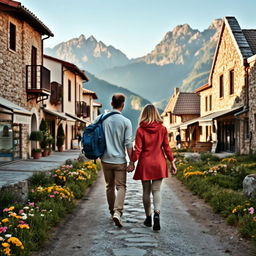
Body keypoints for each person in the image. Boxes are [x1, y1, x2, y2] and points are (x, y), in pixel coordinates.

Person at [127, 104, 177, 231]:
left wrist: (132, 162)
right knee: (156, 190)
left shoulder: (140, 130)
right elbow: (166, 148)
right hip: (159, 163)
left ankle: (148, 218)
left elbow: (137, 150)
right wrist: (172, 162)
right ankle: (157, 214)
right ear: (156, 114)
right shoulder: (162, 129)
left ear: (143, 114)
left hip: (145, 163)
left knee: (146, 192)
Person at [98, 93, 133, 227]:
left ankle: (112, 211)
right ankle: (118, 212)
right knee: (121, 186)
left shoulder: (101, 118)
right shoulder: (126, 122)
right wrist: (131, 162)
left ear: (112, 104)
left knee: (109, 186)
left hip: (105, 159)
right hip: (119, 160)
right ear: (122, 105)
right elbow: (128, 144)